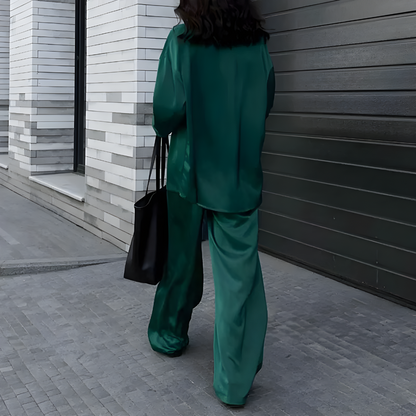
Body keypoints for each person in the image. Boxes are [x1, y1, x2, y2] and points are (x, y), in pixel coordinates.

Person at [148, 0, 275, 407]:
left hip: (189, 169)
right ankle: (234, 382)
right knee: (239, 276)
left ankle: (169, 333)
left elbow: (167, 110)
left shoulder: (181, 40)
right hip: (237, 173)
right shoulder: (256, 44)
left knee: (181, 259)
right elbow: (266, 100)